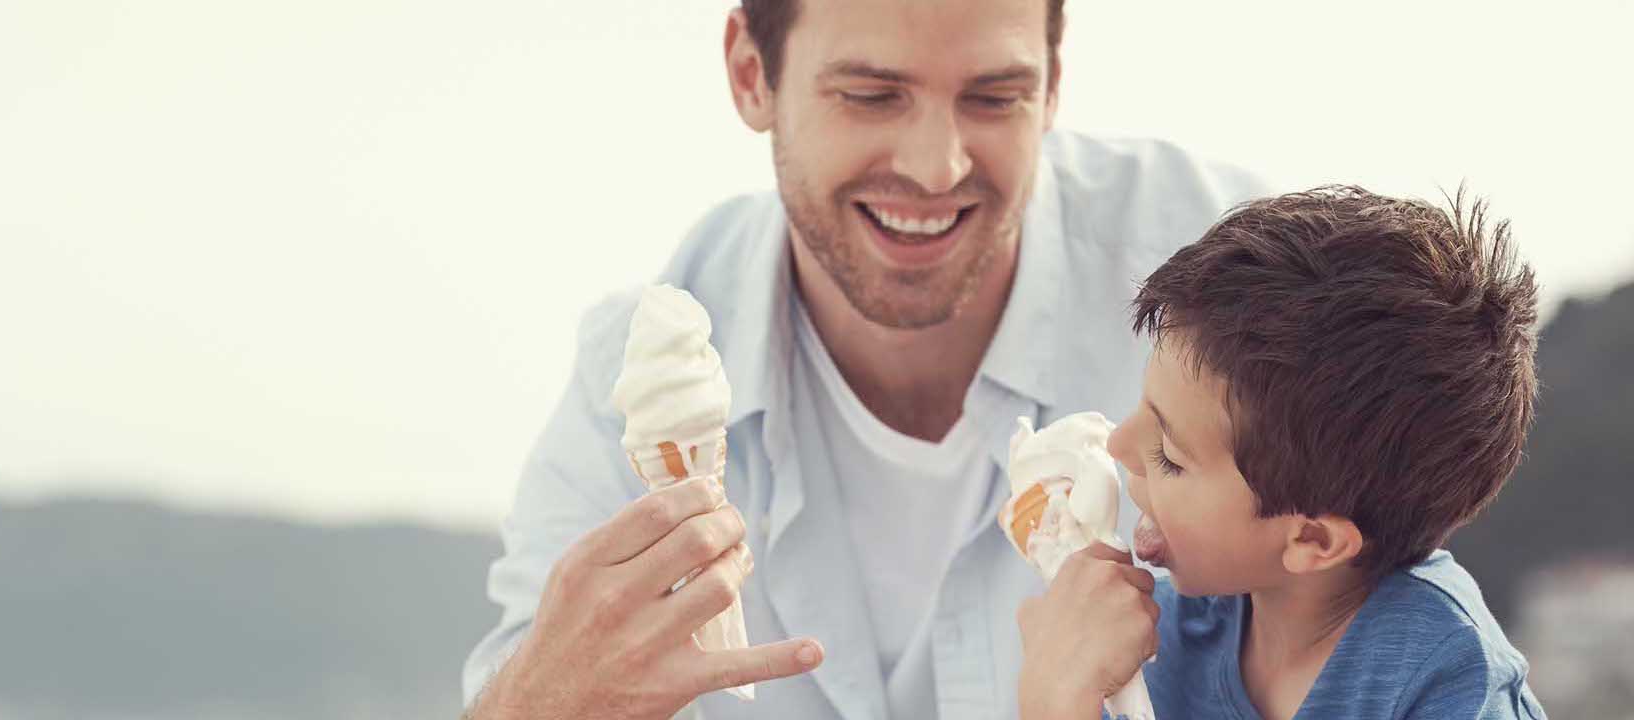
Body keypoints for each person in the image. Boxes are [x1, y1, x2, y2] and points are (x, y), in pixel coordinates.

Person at [462, 1, 1269, 718]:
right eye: (871, 95)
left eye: (994, 97)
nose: (934, 167)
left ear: (1053, 83)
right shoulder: (630, 383)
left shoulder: (1238, 280)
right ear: (751, 74)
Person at [1017, 186, 1547, 719]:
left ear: (1313, 539)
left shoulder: (1450, 686)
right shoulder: (1155, 635)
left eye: (1170, 456)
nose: (1117, 446)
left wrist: (1053, 703)